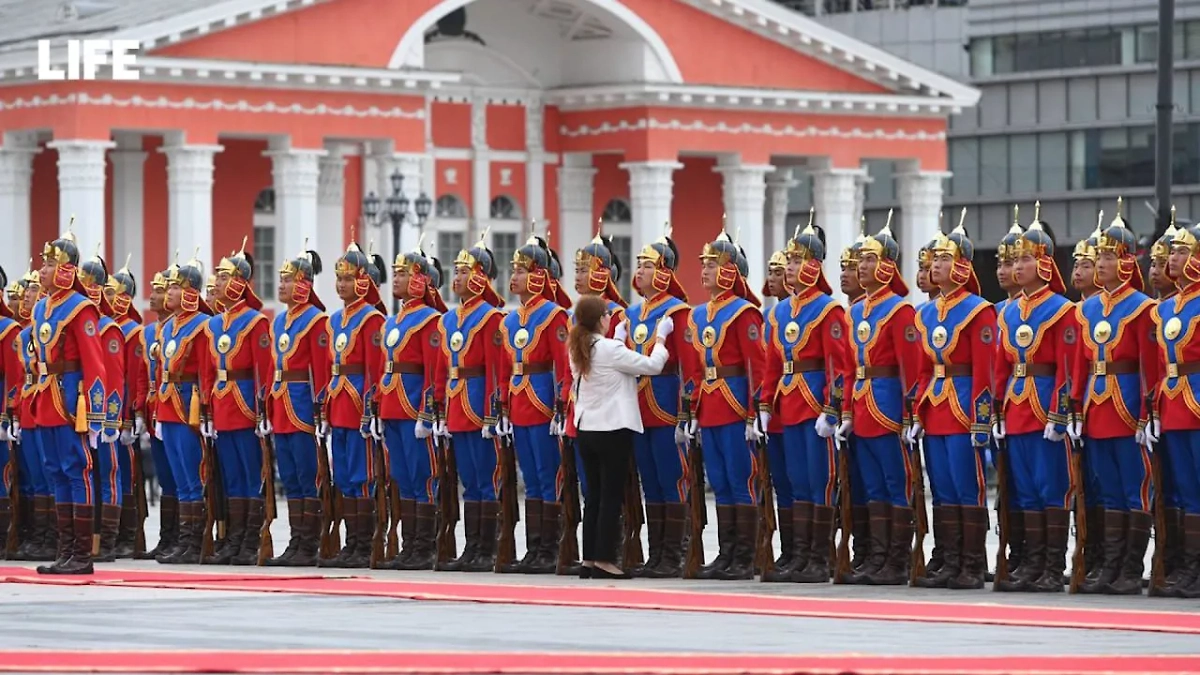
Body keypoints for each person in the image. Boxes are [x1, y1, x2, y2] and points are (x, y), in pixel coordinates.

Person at [1069, 205, 1156, 596]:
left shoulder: (1142, 307)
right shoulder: (1086, 309)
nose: (1100, 263)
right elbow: (1078, 364)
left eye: (1107, 256)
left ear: (1125, 260)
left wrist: (1147, 413)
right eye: (1098, 255)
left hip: (1127, 404)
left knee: (1132, 487)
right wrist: (1073, 405)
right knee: (1103, 488)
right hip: (1095, 405)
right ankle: (1107, 565)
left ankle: (1129, 568)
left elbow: (1147, 366)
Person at [993, 207, 1079, 593]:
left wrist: (1061, 412)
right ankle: (1029, 563)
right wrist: (995, 410)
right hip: (1016, 404)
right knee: (1024, 487)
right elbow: (1000, 366)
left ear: (1044, 263)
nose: (1017, 266)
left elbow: (1068, 365)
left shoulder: (1062, 309)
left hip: (1045, 403)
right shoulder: (1009, 310)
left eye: (1026, 259)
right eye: (1014, 260)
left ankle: (1050, 564)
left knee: (1051, 485)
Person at [761, 223, 850, 584]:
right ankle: (799, 554)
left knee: (820, 480)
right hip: (789, 399)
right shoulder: (780, 311)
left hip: (814, 400)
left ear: (814, 264)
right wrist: (765, 406)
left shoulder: (829, 309)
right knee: (797, 480)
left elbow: (840, 364)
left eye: (798, 260)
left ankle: (819, 556)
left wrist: (833, 407)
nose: (791, 267)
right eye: (791, 261)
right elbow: (771, 362)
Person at [911, 222, 996, 590]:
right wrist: (915, 411)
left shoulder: (979, 310)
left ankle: (972, 564)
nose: (935, 266)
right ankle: (948, 559)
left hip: (962, 402)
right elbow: (920, 368)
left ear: (961, 264)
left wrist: (982, 418)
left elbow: (986, 369)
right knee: (942, 487)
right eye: (933, 259)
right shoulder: (926, 313)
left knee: (966, 486)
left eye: (944, 259)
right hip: (935, 404)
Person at [569, 294, 671, 579]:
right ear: (601, 318)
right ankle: (605, 559)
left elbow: (607, 362)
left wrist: (616, 337)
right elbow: (652, 366)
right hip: (612, 429)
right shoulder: (610, 349)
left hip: (586, 429)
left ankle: (588, 558)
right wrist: (661, 340)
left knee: (594, 497)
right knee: (611, 497)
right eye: (606, 316)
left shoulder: (579, 346)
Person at [32, 230, 116, 575]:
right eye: (44, 264)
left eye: (51, 265)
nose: (43, 270)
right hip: (45, 392)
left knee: (75, 470)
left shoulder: (81, 309)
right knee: (54, 470)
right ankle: (64, 549)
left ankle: (82, 553)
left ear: (67, 270)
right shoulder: (40, 307)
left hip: (69, 398)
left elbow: (95, 363)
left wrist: (94, 412)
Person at [843, 216, 919, 586]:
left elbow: (911, 365)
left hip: (888, 404)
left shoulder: (900, 309)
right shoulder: (856, 310)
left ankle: (897, 559)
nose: (863, 266)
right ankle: (875, 557)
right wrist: (843, 408)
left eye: (871, 259)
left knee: (895, 481)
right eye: (861, 260)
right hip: (861, 403)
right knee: (872, 485)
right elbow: (848, 364)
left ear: (888, 265)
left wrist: (910, 410)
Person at [688, 230, 766, 581]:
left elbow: (757, 364)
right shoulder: (700, 313)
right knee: (718, 481)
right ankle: (726, 551)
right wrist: (689, 410)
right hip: (709, 402)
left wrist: (755, 409)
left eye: (712, 265)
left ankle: (745, 555)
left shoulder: (744, 312)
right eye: (703, 265)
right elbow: (692, 367)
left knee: (740, 478)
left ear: (730, 270)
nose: (704, 271)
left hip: (734, 401)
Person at [620, 226, 695, 578]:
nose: (640, 270)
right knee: (649, 479)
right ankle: (656, 553)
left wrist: (687, 409)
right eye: (638, 264)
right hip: (638, 405)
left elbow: (689, 365)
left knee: (672, 477)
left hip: (666, 403)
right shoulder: (631, 314)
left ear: (664, 270)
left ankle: (676, 552)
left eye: (647, 265)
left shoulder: (678, 313)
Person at [499, 235, 571, 574]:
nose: (513, 277)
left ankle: (552, 547)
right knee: (529, 476)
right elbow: (503, 367)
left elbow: (563, 364)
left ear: (539, 275)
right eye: (513, 270)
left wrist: (562, 405)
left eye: (521, 271)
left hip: (543, 400)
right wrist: (500, 405)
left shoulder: (554, 315)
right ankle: (534, 547)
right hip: (518, 401)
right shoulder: (510, 319)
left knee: (547, 474)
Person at [438, 234, 506, 573]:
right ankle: (471, 545)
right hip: (456, 401)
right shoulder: (448, 319)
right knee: (467, 478)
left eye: (464, 272)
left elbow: (496, 367)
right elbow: (442, 367)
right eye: (456, 271)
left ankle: (488, 547)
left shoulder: (491, 317)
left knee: (485, 477)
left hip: (480, 401)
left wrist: (495, 408)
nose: (457, 278)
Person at [202, 242, 273, 565]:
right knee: (230, 474)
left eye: (222, 277)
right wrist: (206, 407)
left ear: (239, 282)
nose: (216, 283)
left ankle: (250, 539)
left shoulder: (256, 322)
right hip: (221, 402)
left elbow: (264, 369)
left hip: (244, 403)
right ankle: (233, 536)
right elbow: (207, 369)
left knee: (249, 472)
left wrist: (263, 408)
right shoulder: (214, 323)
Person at [318, 241, 386, 569]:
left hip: (358, 399)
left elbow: (375, 366)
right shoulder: (333, 321)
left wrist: (372, 405)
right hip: (338, 399)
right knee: (342, 474)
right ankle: (349, 541)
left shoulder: (371, 319)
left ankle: (364, 542)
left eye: (347, 279)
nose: (341, 284)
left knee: (361, 474)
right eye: (338, 278)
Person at [377, 245, 444, 571]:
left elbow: (433, 369)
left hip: (413, 406)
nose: (397, 278)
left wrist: (427, 410)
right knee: (401, 477)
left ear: (420, 279)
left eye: (403, 273)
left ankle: (424, 546)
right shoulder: (393, 320)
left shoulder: (430, 320)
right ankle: (408, 545)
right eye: (396, 272)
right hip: (392, 404)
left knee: (422, 476)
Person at [263, 248, 330, 567]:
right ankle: (295, 540)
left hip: (303, 404)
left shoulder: (316, 321)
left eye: (287, 280)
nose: (281, 285)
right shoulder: (278, 321)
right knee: (288, 476)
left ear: (304, 284)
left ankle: (310, 542)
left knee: (307, 474)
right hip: (281, 403)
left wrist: (321, 409)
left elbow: (320, 368)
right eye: (281, 280)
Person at [155, 255, 215, 565]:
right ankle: (183, 539)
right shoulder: (167, 327)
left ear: (191, 291)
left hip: (188, 404)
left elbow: (206, 370)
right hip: (167, 403)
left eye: (176, 288)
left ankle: (195, 541)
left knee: (193, 475)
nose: (169, 293)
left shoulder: (202, 325)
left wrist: (207, 409)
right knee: (178, 477)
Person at [1154, 213, 1200, 598]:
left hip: (1198, 394)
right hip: (1173, 399)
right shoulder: (1167, 307)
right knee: (1183, 488)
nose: (1173, 259)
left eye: (1182, 252)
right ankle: (1189, 566)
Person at [75, 251, 129, 563]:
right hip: (83, 413)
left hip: (104, 415)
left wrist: (110, 421)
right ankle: (90, 535)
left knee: (108, 474)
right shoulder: (83, 322)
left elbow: (114, 381)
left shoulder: (108, 328)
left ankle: (107, 539)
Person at [9, 266, 56, 562]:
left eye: (33, 291)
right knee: (34, 478)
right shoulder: (23, 334)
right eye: (26, 292)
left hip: (46, 402)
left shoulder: (44, 330)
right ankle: (38, 534)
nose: (27, 297)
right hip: (27, 405)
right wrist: (13, 410)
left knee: (50, 473)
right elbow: (17, 376)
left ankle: (52, 536)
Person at [105, 260, 148, 558]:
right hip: (104, 411)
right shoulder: (106, 326)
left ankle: (128, 534)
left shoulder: (132, 331)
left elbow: (133, 377)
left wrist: (133, 415)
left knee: (123, 473)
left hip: (123, 415)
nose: (106, 298)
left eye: (112, 293)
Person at [137, 265, 179, 560]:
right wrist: (140, 408)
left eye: (160, 291)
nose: (153, 297)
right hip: (155, 408)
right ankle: (167, 538)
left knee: (181, 474)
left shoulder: (182, 327)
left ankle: (183, 538)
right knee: (164, 476)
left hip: (176, 406)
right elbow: (143, 374)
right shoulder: (149, 331)